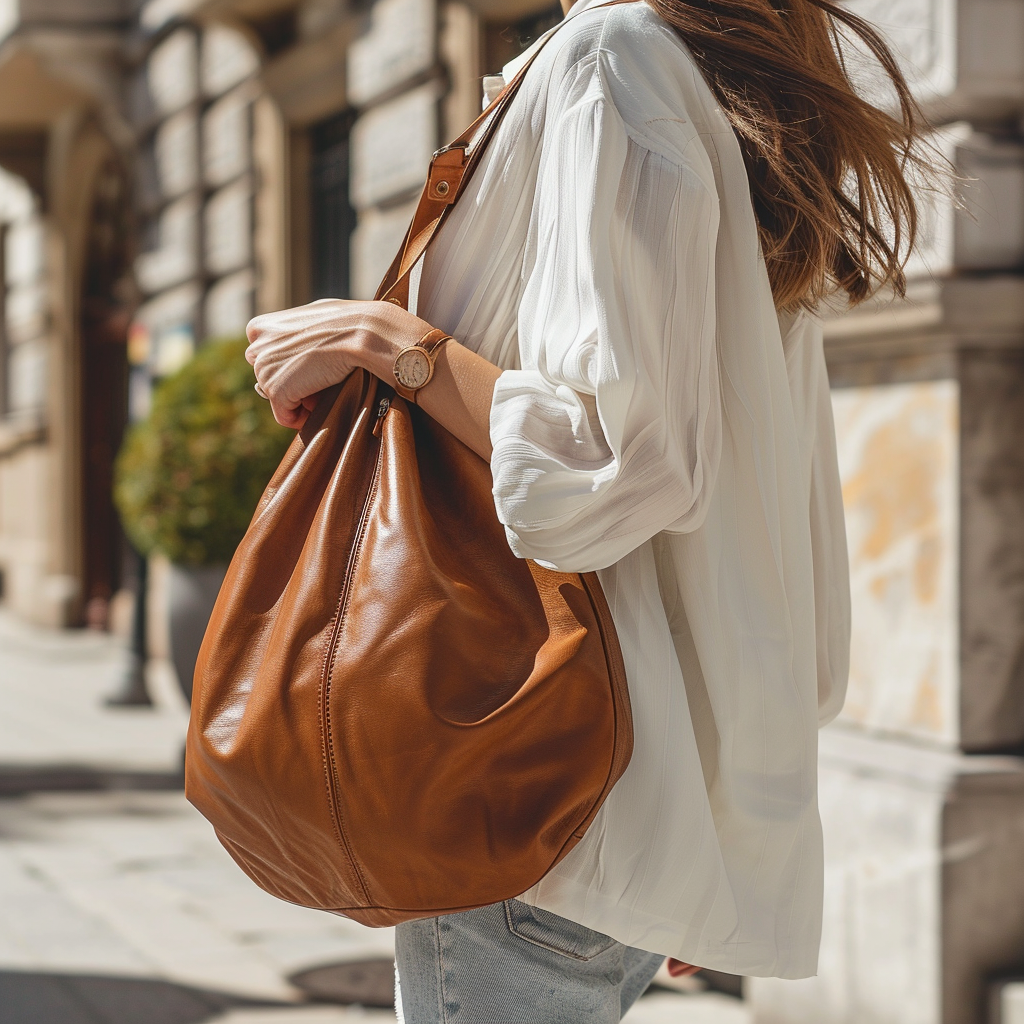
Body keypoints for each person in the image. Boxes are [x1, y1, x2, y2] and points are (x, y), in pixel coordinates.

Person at [245, 0, 929, 1019]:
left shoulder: (613, 60)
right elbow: (769, 513)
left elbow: (615, 458)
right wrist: (710, 831)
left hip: (535, 785)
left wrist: (389, 340)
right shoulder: (698, 78)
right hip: (611, 796)